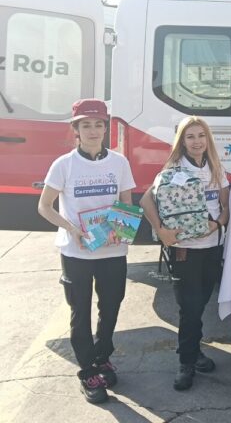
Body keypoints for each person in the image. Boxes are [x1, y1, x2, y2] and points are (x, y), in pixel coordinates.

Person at [38, 99, 136, 404]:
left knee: (111, 307)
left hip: (112, 252)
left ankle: (103, 356)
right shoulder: (64, 164)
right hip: (77, 252)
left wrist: (120, 231)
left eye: (98, 124)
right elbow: (44, 206)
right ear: (76, 130)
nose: (93, 131)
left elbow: (127, 205)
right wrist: (72, 229)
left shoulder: (119, 162)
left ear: (106, 128)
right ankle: (88, 371)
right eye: (86, 125)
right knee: (79, 312)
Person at [140, 116, 230, 391]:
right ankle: (186, 362)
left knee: (200, 303)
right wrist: (160, 230)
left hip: (212, 247)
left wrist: (217, 223)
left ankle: (195, 351)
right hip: (184, 251)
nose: (196, 141)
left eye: (201, 135)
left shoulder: (216, 168)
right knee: (188, 307)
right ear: (181, 141)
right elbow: (146, 200)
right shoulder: (172, 169)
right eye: (190, 136)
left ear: (207, 139)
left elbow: (226, 207)